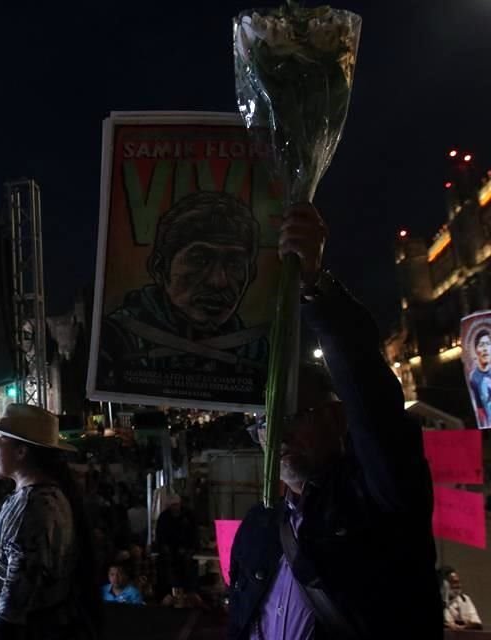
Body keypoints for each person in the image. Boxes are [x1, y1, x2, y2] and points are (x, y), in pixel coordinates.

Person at [227, 204, 443, 639]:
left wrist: (314, 288)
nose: (279, 432)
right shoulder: (258, 528)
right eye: (266, 422)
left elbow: (374, 403)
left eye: (296, 416)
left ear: (337, 418)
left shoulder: (379, 501)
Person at [0, 404, 97, 640]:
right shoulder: (36, 496)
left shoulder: (35, 507)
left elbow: (16, 598)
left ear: (21, 452)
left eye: (1, 439)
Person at [99, 191, 268, 387]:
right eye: (199, 259)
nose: (218, 281)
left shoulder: (255, 351)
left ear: (251, 275)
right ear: (160, 268)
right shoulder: (118, 339)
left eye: (234, 264)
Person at [468, 329, 491, 427]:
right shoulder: (473, 377)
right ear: (476, 349)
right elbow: (479, 408)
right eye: (481, 345)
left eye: (487, 344)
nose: (485, 348)